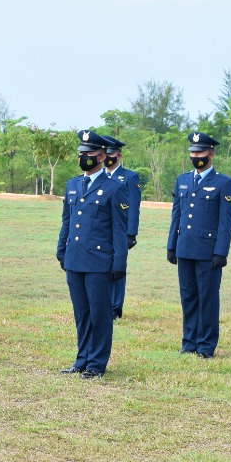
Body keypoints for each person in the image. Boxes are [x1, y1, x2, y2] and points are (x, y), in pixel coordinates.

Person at [57, 130, 129, 378]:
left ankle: (97, 363)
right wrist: (61, 249)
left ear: (101, 157)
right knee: (82, 314)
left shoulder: (113, 188)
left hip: (99, 262)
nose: (83, 157)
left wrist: (119, 263)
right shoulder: (73, 185)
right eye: (81, 153)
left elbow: (120, 230)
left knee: (99, 314)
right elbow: (67, 221)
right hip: (75, 258)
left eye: (88, 153)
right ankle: (82, 359)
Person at [167, 132, 231, 359]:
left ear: (211, 154)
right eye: (193, 153)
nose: (196, 157)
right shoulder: (182, 180)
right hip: (185, 248)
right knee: (188, 296)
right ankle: (189, 342)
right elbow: (176, 214)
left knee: (207, 297)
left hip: (208, 252)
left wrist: (221, 251)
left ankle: (206, 345)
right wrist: (171, 245)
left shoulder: (223, 183)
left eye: (200, 153)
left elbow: (226, 222)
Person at [100, 135, 141, 319]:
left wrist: (131, 233)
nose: (108, 156)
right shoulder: (99, 176)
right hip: (101, 231)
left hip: (121, 231)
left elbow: (134, 205)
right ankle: (102, 303)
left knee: (118, 267)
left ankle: (115, 308)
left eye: (111, 153)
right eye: (105, 153)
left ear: (119, 155)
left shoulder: (129, 177)